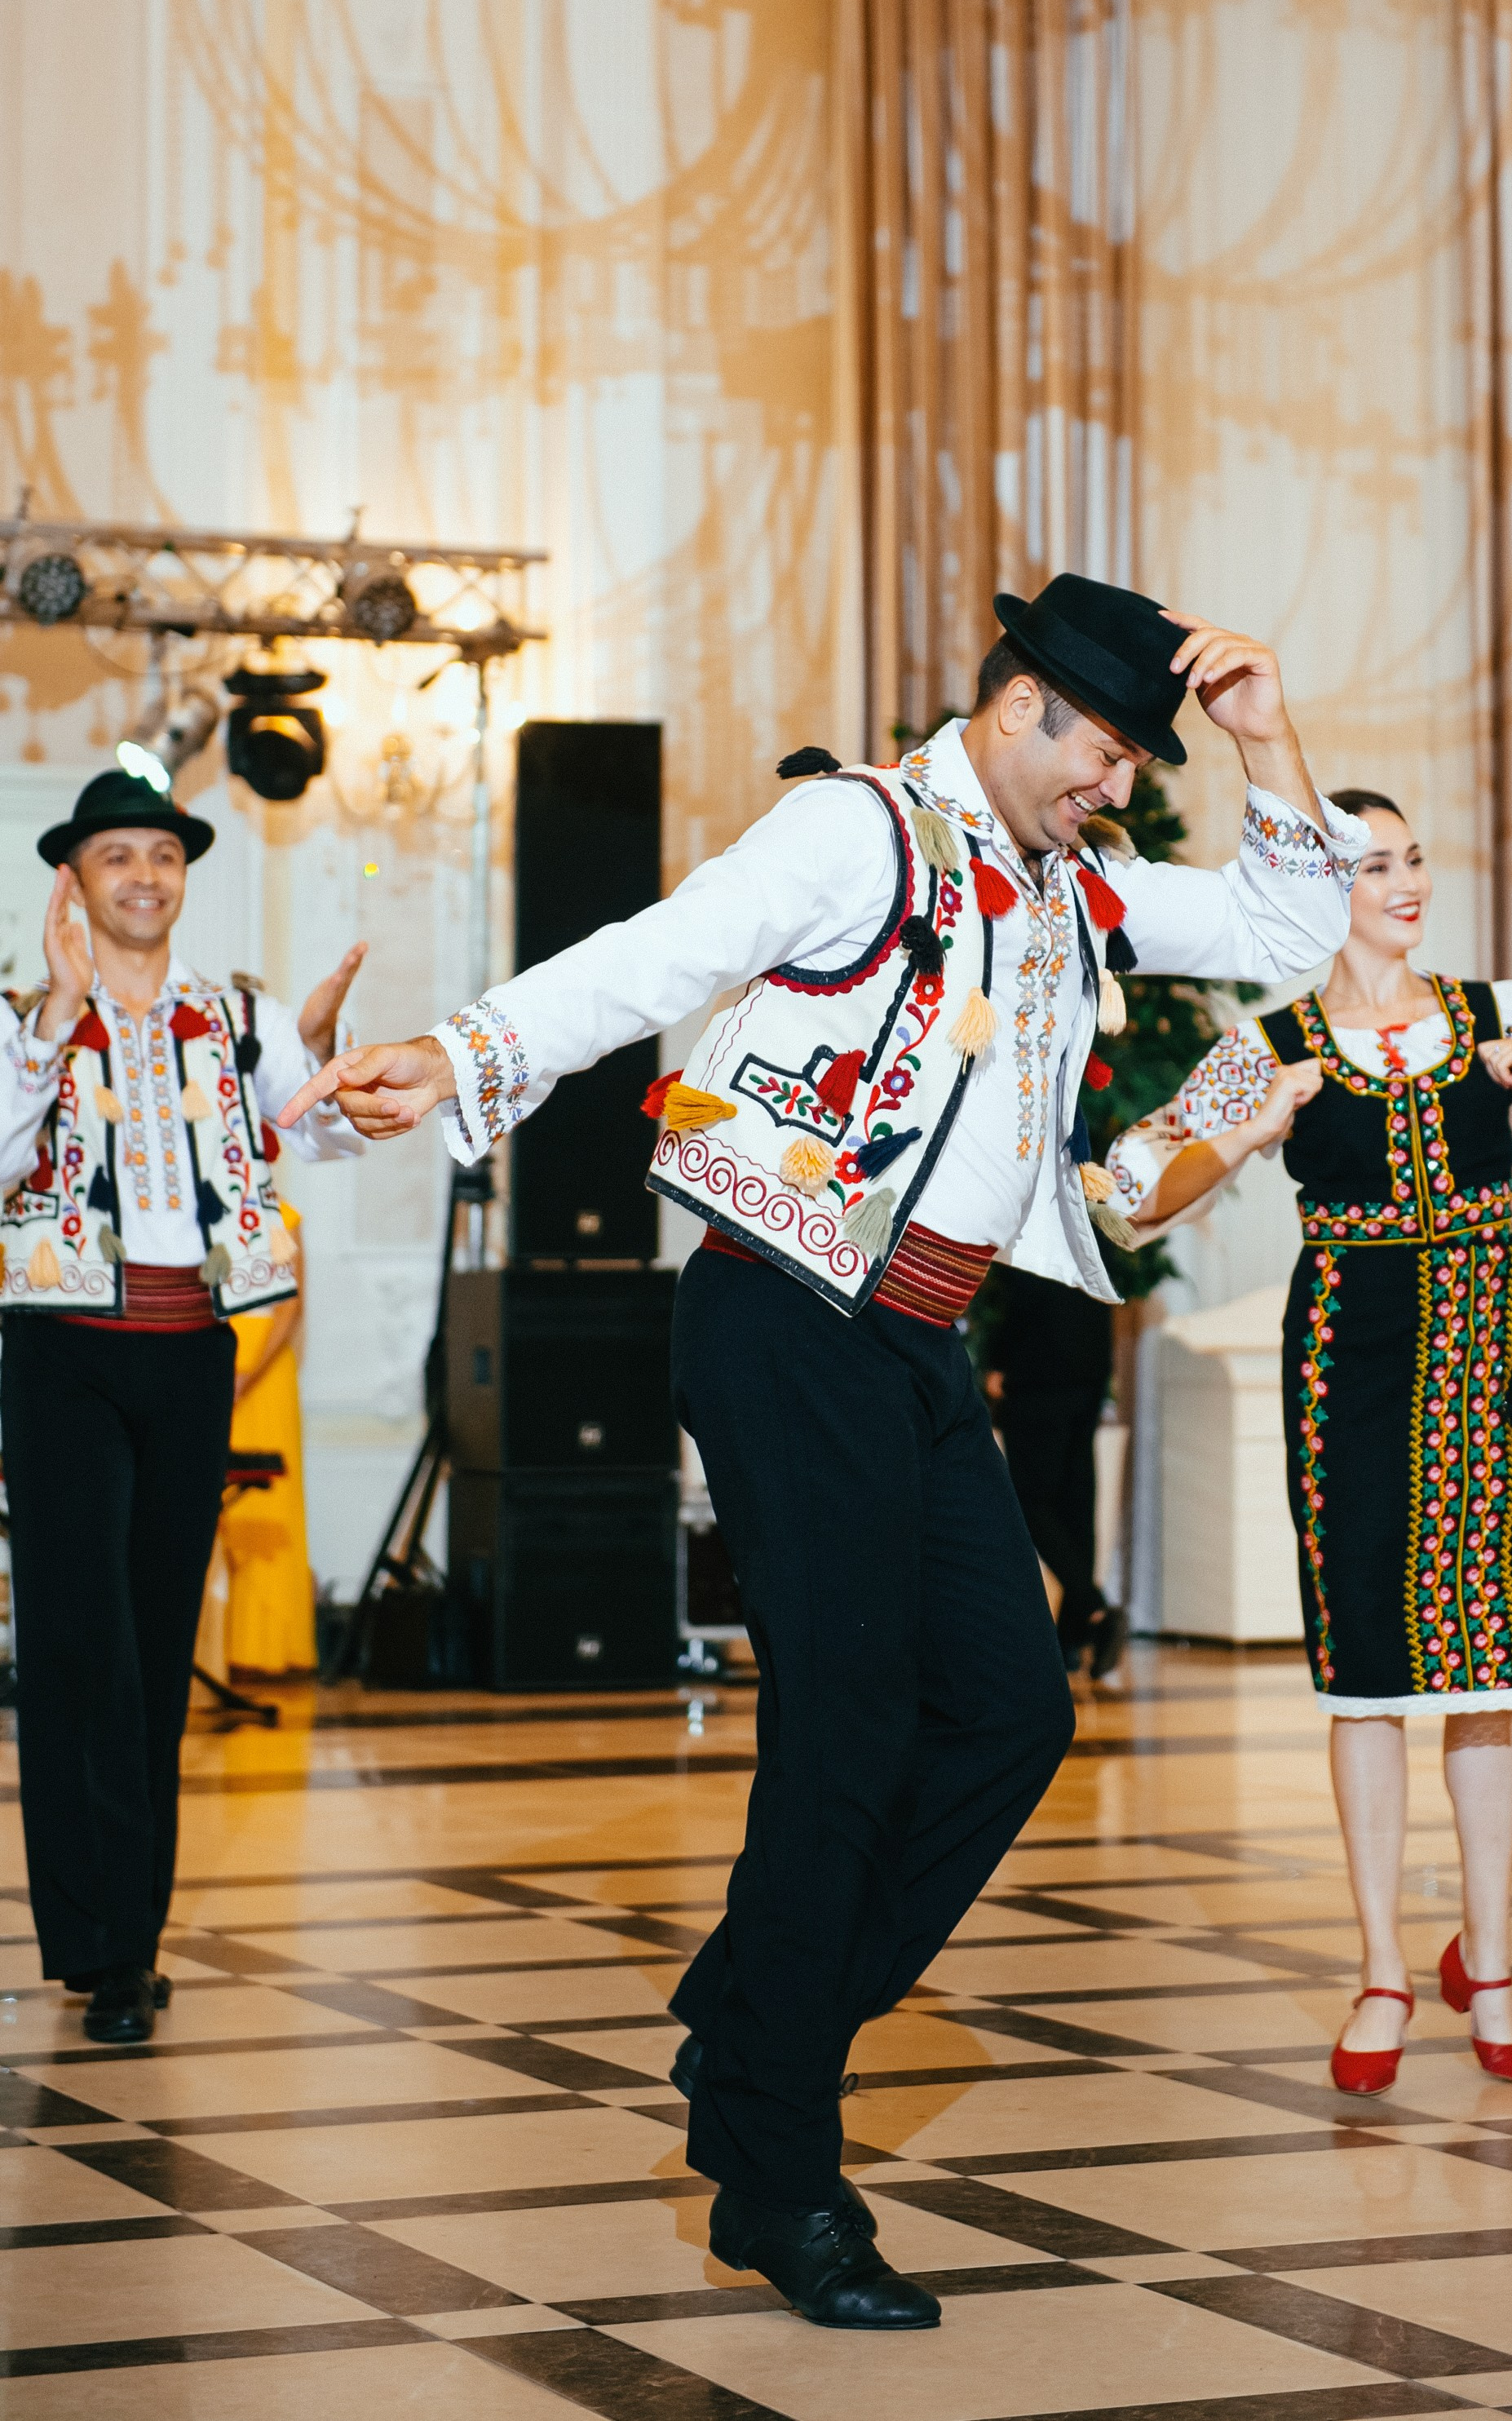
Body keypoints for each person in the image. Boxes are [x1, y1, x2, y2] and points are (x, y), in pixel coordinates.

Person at [281, 573, 1368, 2327]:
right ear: (1018, 707)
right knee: (847, 1727)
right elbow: (659, 954)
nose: (1114, 785)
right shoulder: (856, 833)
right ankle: (775, 2178)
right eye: (1102, 749)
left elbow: (1281, 927)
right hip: (784, 1310)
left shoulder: (1063, 877)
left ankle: (754, 2014)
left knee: (1009, 1713)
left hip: (920, 1338)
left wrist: (1268, 743)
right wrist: (465, 1052)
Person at [1107, 787, 1512, 2095]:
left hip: (1484, 1349)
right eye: (1376, 866)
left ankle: (1487, 1960)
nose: (1408, 882)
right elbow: (1132, 1189)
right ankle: (1381, 1964)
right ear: (1325, 890)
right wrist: (1253, 1129)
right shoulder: (1272, 1043)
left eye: (1413, 858)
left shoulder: (1497, 1011)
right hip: (1349, 1363)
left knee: (1487, 1665)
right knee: (1365, 1666)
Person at [0, 768, 364, 2044]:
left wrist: (317, 1054)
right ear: (76, 878)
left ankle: (131, 1945)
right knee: (74, 1638)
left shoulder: (237, 1015)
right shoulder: (18, 1010)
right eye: (118, 855)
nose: (144, 874)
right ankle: (91, 1939)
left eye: (161, 853)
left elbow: (311, 1142)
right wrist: (50, 1018)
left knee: (156, 1642)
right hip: (59, 1355)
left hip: (188, 1351)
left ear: (181, 874)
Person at [979, 1264, 1124, 1675]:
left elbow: (1023, 1296)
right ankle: (1073, 1635)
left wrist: (998, 1360)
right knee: (1075, 1500)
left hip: (1039, 1372)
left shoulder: (1035, 1214)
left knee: (1032, 1501)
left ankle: (1093, 1611)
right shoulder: (1092, 1207)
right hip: (1088, 1367)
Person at [223, 1197, 316, 1676]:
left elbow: (291, 1306)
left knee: (266, 1507)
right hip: (209, 1359)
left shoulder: (287, 1217)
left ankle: (266, 1650)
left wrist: (247, 1375)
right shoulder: (205, 1207)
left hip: (265, 1370)